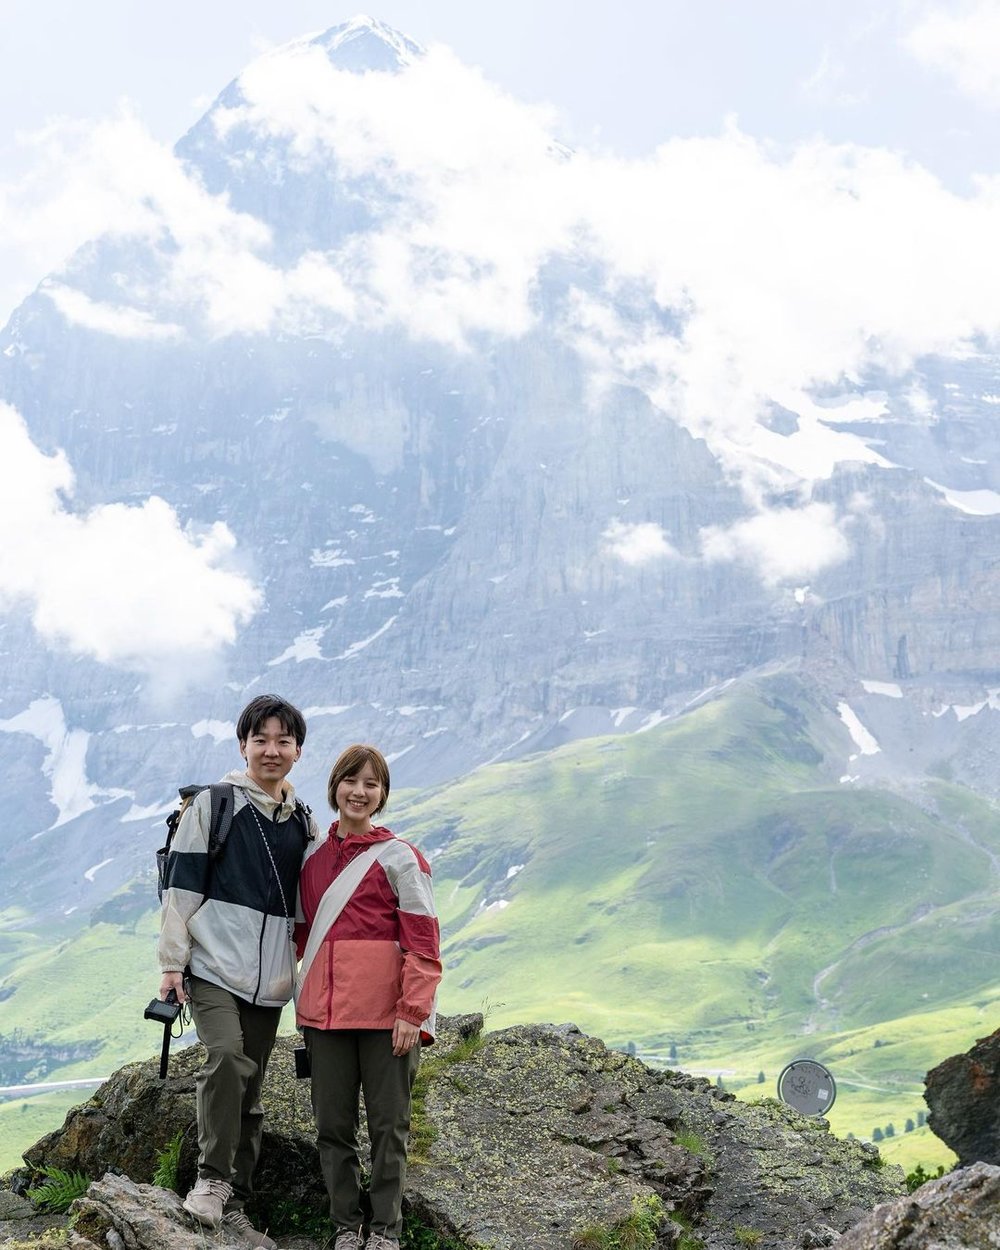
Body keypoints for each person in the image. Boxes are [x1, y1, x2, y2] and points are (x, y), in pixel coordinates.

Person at [157, 694, 319, 1250]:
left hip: (270, 981)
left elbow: (308, 909)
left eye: (283, 741)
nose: (272, 750)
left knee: (250, 1089)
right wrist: (171, 965)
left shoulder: (303, 821)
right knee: (227, 1057)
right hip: (212, 967)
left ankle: (236, 1206)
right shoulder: (215, 805)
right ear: (243, 746)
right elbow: (180, 888)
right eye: (260, 739)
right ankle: (210, 1179)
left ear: (298, 751)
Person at [295, 744, 442, 1250]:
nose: (359, 792)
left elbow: (424, 944)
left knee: (388, 1129)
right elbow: (299, 936)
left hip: (386, 1019)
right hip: (323, 1017)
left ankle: (384, 1232)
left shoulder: (402, 858)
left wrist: (412, 1012)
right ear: (335, 786)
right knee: (332, 1129)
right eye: (351, 781)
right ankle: (345, 1227)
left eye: (371, 784)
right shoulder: (310, 859)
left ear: (382, 794)